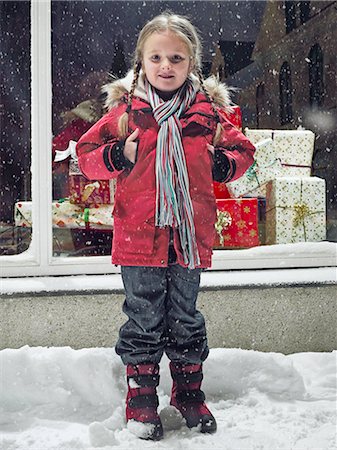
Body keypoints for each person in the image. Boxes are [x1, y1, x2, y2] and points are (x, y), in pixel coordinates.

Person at [76, 12, 255, 441]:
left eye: (176, 57)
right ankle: (141, 396)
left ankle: (188, 391)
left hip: (189, 236)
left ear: (191, 63)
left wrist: (220, 162)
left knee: (185, 316)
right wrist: (119, 154)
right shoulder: (127, 113)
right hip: (140, 236)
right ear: (142, 61)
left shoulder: (208, 114)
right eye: (156, 56)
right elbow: (86, 155)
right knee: (143, 317)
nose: (166, 65)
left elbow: (244, 153)